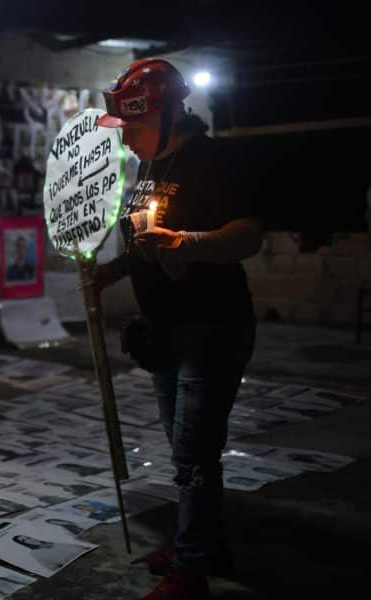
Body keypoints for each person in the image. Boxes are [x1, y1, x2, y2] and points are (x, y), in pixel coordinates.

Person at [93, 58, 263, 600]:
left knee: (193, 455)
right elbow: (144, 243)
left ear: (168, 116)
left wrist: (185, 243)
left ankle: (191, 572)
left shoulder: (211, 159)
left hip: (211, 327)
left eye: (135, 127)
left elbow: (249, 234)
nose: (127, 140)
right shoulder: (150, 165)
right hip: (165, 331)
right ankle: (204, 545)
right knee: (187, 453)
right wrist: (110, 271)